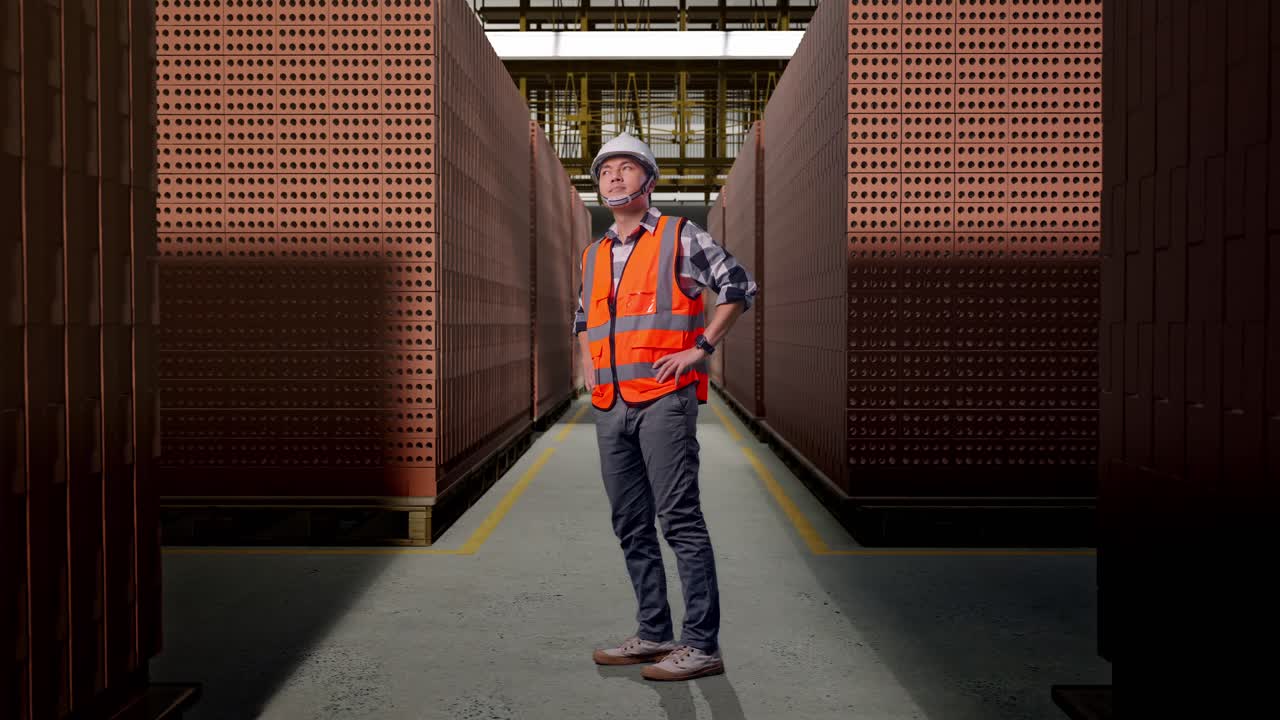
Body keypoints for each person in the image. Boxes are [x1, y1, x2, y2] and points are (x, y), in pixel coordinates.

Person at [573, 131, 759, 681]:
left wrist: (701, 349)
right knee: (630, 523)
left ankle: (701, 644)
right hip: (610, 404)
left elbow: (739, 286)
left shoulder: (680, 236)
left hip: (663, 402)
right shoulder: (594, 254)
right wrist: (587, 364)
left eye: (626, 167)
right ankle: (654, 632)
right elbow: (583, 318)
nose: (613, 177)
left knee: (678, 519)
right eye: (605, 171)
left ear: (648, 180)